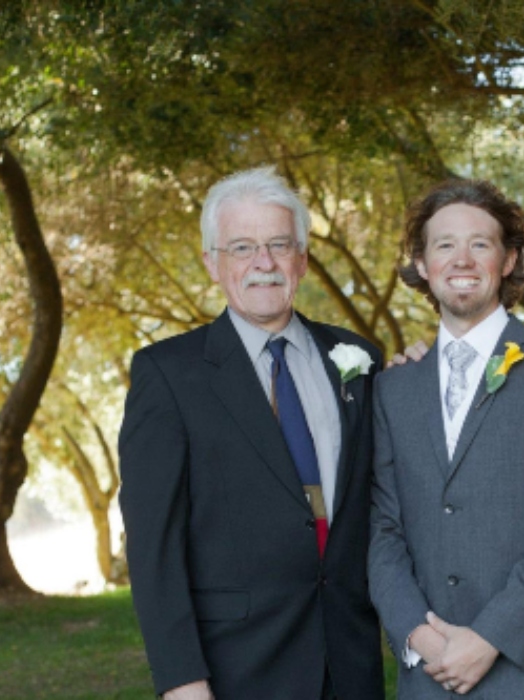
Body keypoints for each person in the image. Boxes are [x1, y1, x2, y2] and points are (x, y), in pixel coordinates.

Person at [119, 167, 385, 700]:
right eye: (242, 247)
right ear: (211, 263)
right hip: (235, 669)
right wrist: (181, 680)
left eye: (279, 245)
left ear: (302, 259)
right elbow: (153, 546)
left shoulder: (358, 359)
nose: (264, 263)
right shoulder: (167, 373)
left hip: (351, 662)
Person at [368, 179, 524, 698]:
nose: (462, 259)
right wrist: (421, 637)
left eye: (480, 243)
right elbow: (383, 528)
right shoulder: (392, 389)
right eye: (444, 244)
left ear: (509, 259)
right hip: (429, 675)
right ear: (421, 262)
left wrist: (490, 637)